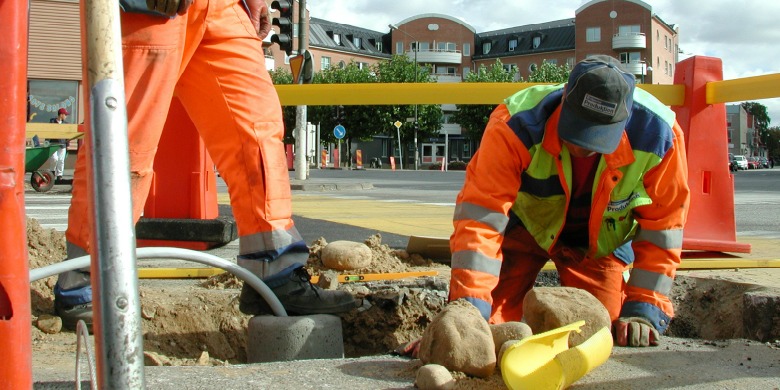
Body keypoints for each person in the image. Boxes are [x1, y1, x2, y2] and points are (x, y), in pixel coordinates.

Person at [53, 0, 357, 330]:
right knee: (125, 140)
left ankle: (275, 273)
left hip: (226, 7)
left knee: (257, 136)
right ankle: (85, 283)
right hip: (146, 8)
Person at [448, 55, 690, 347]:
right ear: (565, 96)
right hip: (528, 228)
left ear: (624, 119)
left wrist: (645, 307)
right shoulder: (515, 124)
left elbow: (664, 226)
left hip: (599, 245)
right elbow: (481, 217)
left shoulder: (660, 136)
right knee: (484, 327)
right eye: (576, 129)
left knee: (599, 332)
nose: (579, 146)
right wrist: (469, 310)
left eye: (595, 136)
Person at [48, 107, 70, 181]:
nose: (66, 116)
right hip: (53, 143)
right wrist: (47, 142)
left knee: (61, 160)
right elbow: (48, 131)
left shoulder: (66, 124)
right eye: (65, 115)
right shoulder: (52, 122)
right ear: (61, 115)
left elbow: (68, 135)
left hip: (62, 144)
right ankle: (52, 172)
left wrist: (68, 145)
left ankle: (59, 175)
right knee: (54, 159)